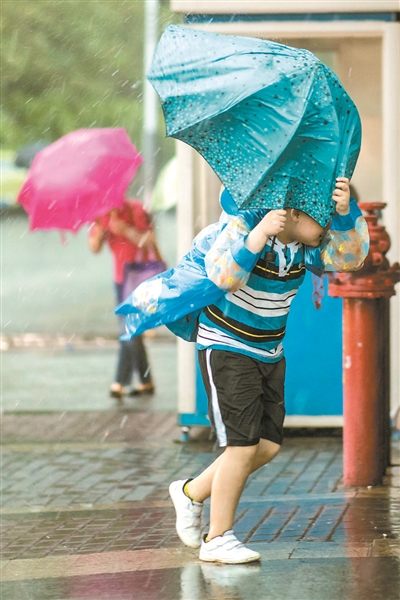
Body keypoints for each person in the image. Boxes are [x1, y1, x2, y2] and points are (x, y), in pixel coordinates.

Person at [169, 178, 369, 564]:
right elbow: (221, 275)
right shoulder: (247, 225)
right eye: (323, 216)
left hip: (268, 351)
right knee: (241, 446)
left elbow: (349, 258)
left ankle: (191, 492)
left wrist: (345, 215)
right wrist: (257, 234)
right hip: (226, 348)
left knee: (266, 445)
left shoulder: (307, 246)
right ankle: (218, 537)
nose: (327, 226)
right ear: (292, 211)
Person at [89, 199, 156, 399]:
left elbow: (149, 240)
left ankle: (123, 381)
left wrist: (125, 230)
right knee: (129, 331)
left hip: (139, 279)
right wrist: (101, 232)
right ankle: (143, 382)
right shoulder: (101, 214)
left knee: (129, 330)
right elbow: (94, 248)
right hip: (120, 279)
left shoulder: (136, 210)